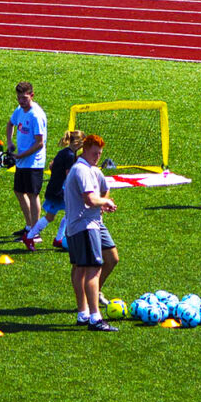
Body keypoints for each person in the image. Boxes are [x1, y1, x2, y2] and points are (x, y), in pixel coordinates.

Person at [63, 134, 119, 331]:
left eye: (100, 153)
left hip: (83, 225)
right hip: (85, 226)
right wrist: (105, 202)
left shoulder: (89, 169)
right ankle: (95, 318)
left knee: (82, 268)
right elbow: (90, 199)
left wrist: (104, 201)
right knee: (93, 269)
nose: (98, 157)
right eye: (95, 153)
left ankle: (83, 314)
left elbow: (102, 190)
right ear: (85, 150)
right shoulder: (82, 170)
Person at [24, 130, 85, 251]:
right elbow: (70, 175)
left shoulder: (65, 152)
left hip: (57, 189)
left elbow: (53, 166)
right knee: (50, 217)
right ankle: (29, 237)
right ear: (78, 143)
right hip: (58, 191)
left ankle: (58, 239)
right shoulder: (70, 156)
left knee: (70, 213)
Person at [5, 81, 48, 241]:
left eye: (24, 98)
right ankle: (29, 226)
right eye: (19, 98)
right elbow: (10, 124)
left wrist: (22, 155)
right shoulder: (19, 110)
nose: (21, 101)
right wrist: (9, 142)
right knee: (18, 191)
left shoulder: (36, 115)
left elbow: (39, 143)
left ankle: (35, 232)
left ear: (32, 95)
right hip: (22, 161)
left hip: (34, 162)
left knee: (32, 194)